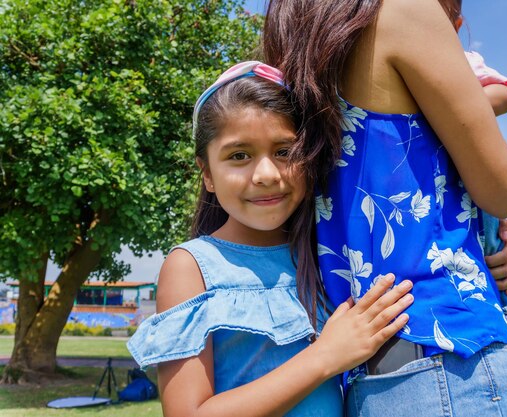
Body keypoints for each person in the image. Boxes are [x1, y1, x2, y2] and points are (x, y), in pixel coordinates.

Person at [263, 0, 507, 416]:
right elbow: (503, 189)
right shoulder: (406, 11)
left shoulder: (298, 41)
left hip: (360, 368)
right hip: (446, 352)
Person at [127, 61, 416, 417]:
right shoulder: (192, 267)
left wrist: (500, 250)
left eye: (284, 152)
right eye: (239, 156)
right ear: (207, 174)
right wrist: (324, 357)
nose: (266, 174)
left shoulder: (327, 252)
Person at [440, 0, 507, 329]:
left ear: (456, 28)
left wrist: (448, 107)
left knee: (491, 243)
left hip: (471, 173)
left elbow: (505, 94)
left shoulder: (463, 64)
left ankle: (506, 313)